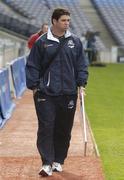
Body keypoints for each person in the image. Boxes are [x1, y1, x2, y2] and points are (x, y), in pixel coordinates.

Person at [25, 8, 88, 177]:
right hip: (46, 93)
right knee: (46, 127)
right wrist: (35, 86)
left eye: (68, 20)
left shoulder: (75, 41)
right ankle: (46, 162)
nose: (67, 23)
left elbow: (81, 64)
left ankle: (58, 160)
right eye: (63, 20)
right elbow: (32, 65)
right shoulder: (42, 42)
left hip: (68, 92)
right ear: (54, 21)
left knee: (64, 129)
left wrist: (82, 83)